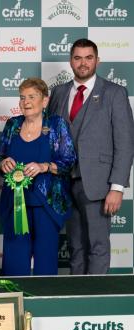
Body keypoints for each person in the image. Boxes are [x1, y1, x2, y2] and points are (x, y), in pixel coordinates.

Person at [48, 38, 134, 274]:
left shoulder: (115, 93)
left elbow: (125, 143)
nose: (83, 63)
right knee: (75, 246)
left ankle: (95, 299)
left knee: (97, 246)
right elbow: (50, 136)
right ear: (71, 61)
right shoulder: (58, 92)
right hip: (64, 184)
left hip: (98, 185)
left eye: (88, 58)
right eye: (77, 58)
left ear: (97, 60)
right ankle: (77, 298)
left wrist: (117, 187)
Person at [0, 78, 76, 276]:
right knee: (14, 259)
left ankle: (45, 303)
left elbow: (69, 161)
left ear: (45, 101)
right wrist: (2, 163)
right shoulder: (12, 124)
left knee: (45, 261)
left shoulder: (57, 125)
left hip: (47, 204)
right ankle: (13, 301)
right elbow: (0, 155)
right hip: (15, 204)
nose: (26, 102)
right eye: (22, 97)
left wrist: (45, 166)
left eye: (32, 97)